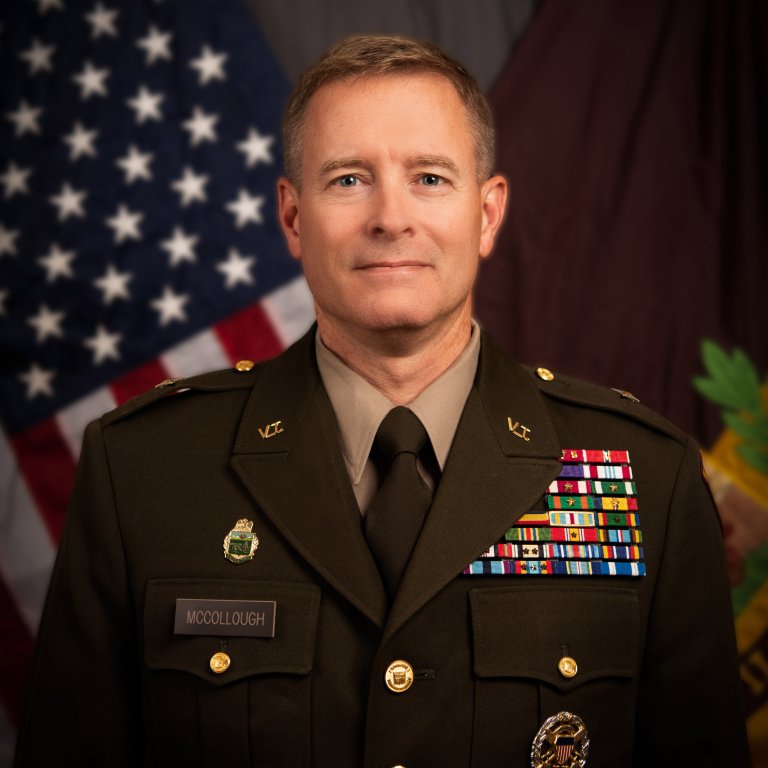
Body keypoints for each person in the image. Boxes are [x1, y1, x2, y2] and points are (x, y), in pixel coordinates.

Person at [14, 34, 748, 767]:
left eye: (430, 178)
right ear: (293, 219)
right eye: (347, 180)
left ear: (487, 215)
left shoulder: (650, 478)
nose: (391, 218)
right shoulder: (142, 472)